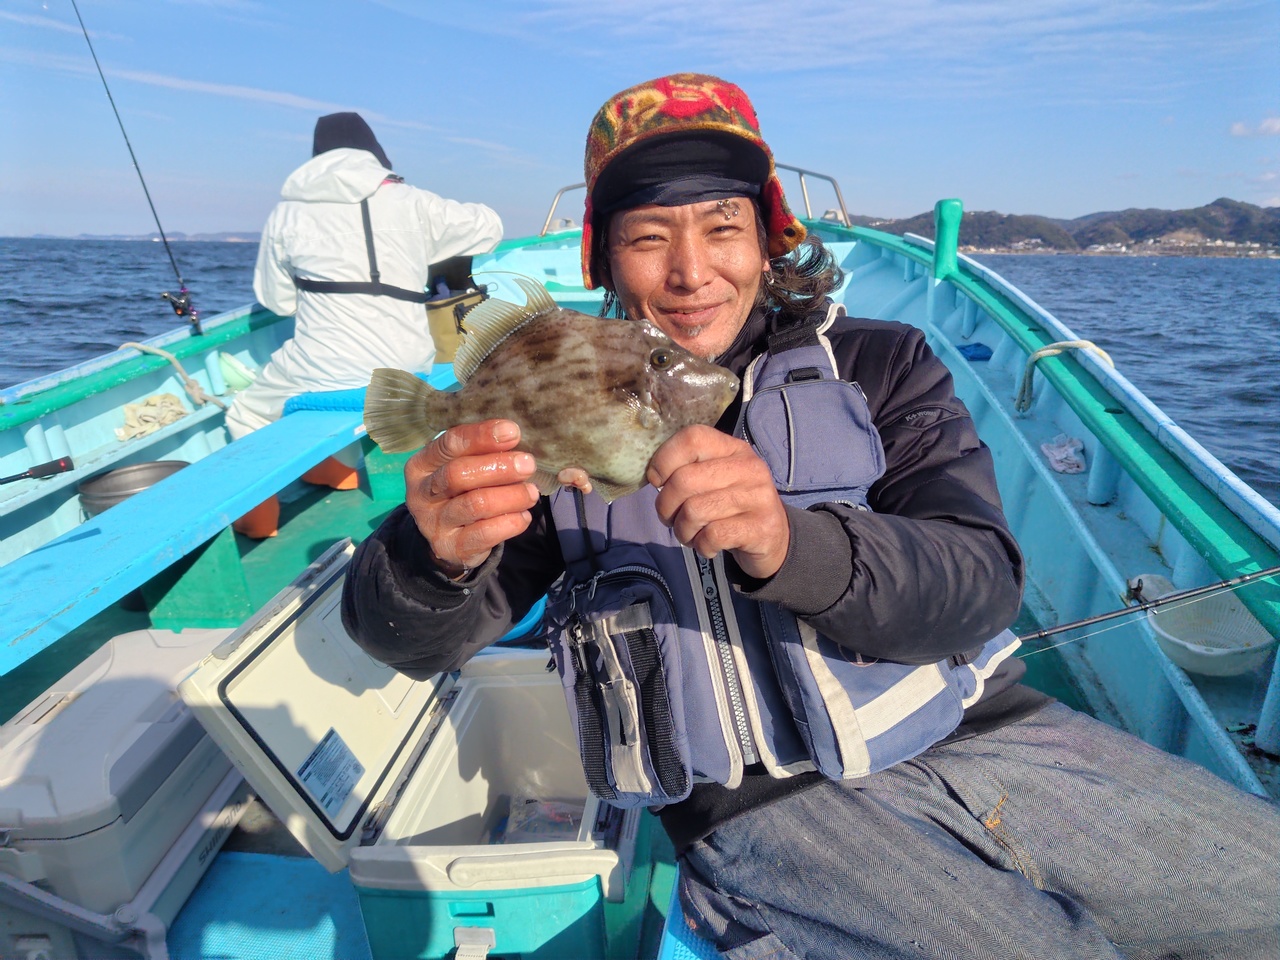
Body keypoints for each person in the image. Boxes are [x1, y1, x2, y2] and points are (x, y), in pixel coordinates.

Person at [339, 74, 1279, 959]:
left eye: (723, 227)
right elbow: (411, 642)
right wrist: (432, 558)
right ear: (607, 258)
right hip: (759, 811)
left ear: (767, 239)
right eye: (649, 238)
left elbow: (982, 582)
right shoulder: (564, 416)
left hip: (985, 732)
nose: (691, 272)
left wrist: (792, 545)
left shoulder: (883, 363)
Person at [226, 112, 502, 537]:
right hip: (408, 365)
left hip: (322, 367)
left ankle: (259, 517)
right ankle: (333, 468)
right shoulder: (412, 201)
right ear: (375, 155)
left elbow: (276, 301)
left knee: (246, 410)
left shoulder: (286, 214)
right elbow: (489, 226)